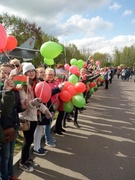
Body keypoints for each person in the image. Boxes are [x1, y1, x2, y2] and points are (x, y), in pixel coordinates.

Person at [18, 63, 49, 172]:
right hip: (27, 117)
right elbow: (24, 103)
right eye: (28, 71)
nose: (31, 73)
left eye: (32, 70)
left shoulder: (37, 84)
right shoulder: (22, 86)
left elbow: (40, 100)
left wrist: (46, 110)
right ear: (24, 73)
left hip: (35, 116)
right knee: (27, 140)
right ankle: (22, 162)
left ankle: (27, 158)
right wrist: (34, 102)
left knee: (30, 139)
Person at [0, 63, 26, 180]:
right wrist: (5, 90)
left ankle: (10, 175)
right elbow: (4, 110)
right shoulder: (3, 89)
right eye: (3, 72)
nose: (6, 75)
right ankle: (4, 176)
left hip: (13, 126)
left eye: (9, 73)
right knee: (4, 157)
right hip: (3, 128)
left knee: (10, 154)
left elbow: (15, 109)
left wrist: (23, 107)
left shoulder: (14, 90)